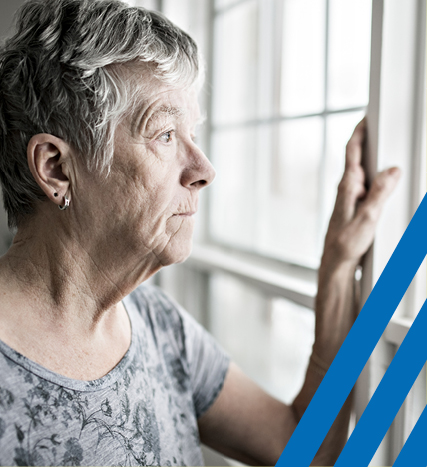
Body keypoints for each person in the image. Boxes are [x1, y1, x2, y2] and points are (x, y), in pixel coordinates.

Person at [0, 0, 400, 465]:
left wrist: (335, 273)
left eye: (193, 133)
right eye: (166, 134)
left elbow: (303, 448)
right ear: (56, 168)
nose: (204, 169)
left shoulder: (156, 322)